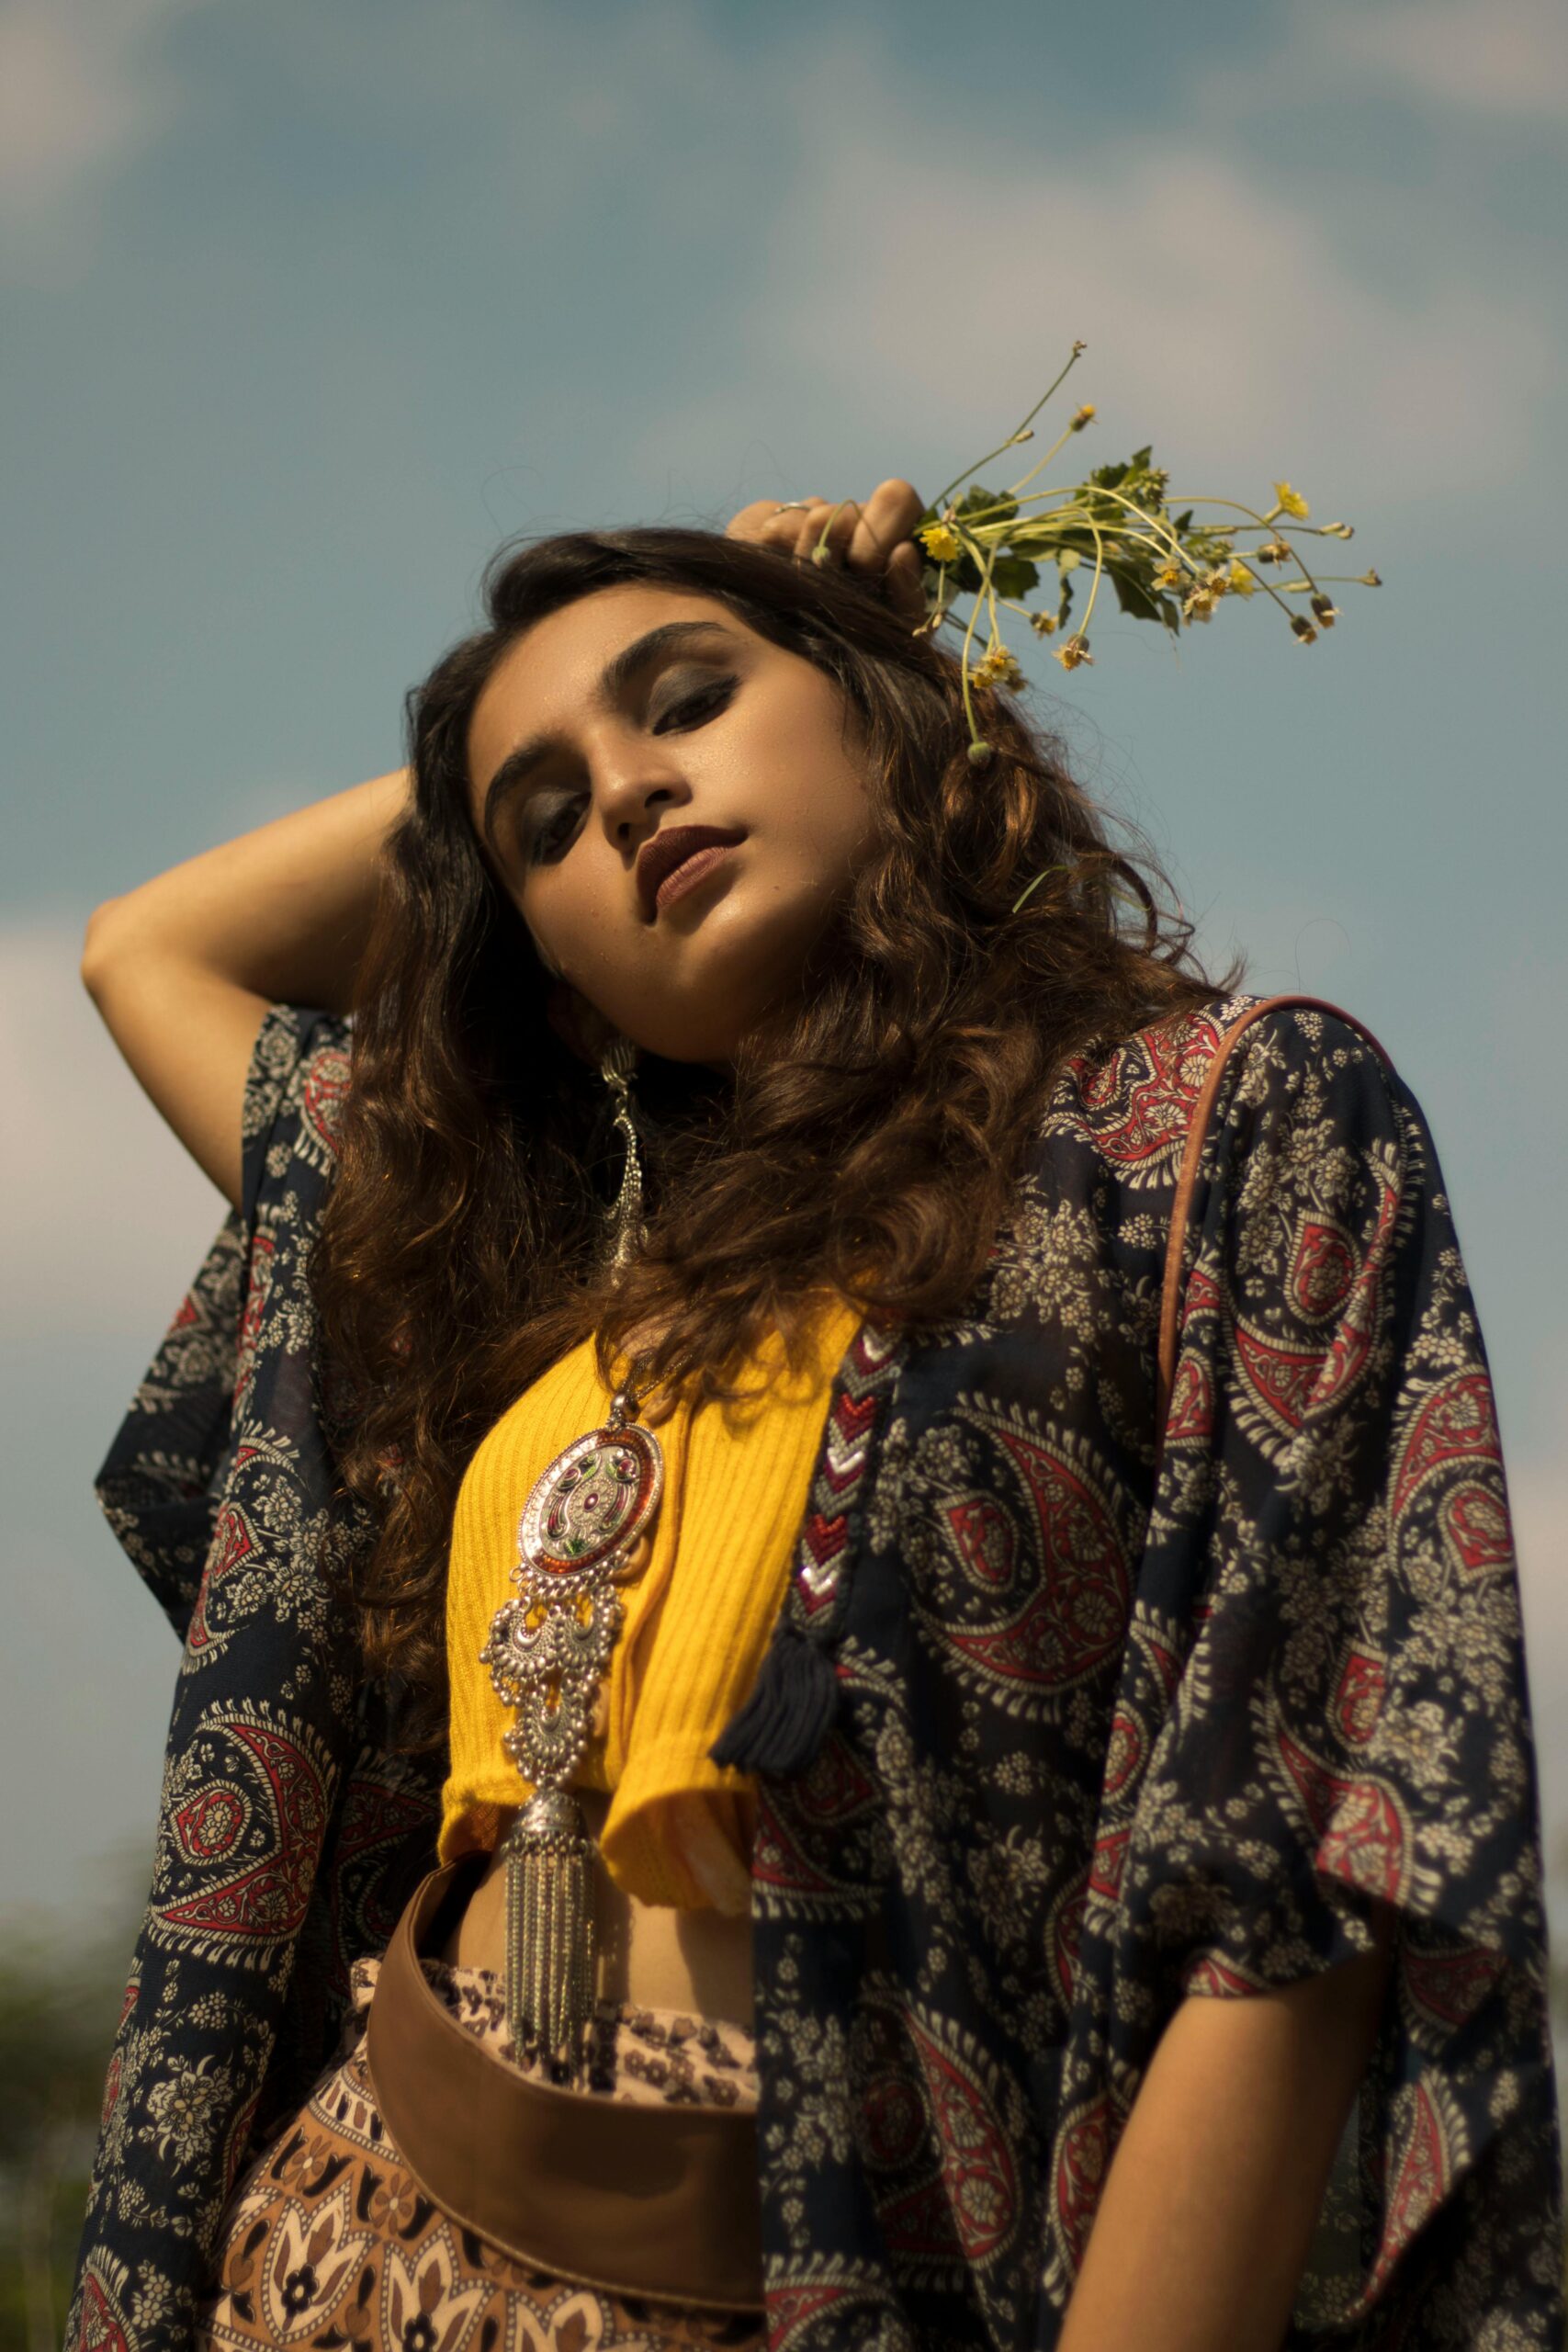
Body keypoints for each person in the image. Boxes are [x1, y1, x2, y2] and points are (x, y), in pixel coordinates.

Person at [70, 481, 1562, 2352]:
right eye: (544, 821)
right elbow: (150, 950)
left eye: (686, 701)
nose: (619, 792)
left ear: (891, 713)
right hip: (346, 2247)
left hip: (831, 2281)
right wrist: (494, 790)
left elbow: (1282, 1882)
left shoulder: (1203, 1131)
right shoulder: (513, 1276)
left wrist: (821, 628)